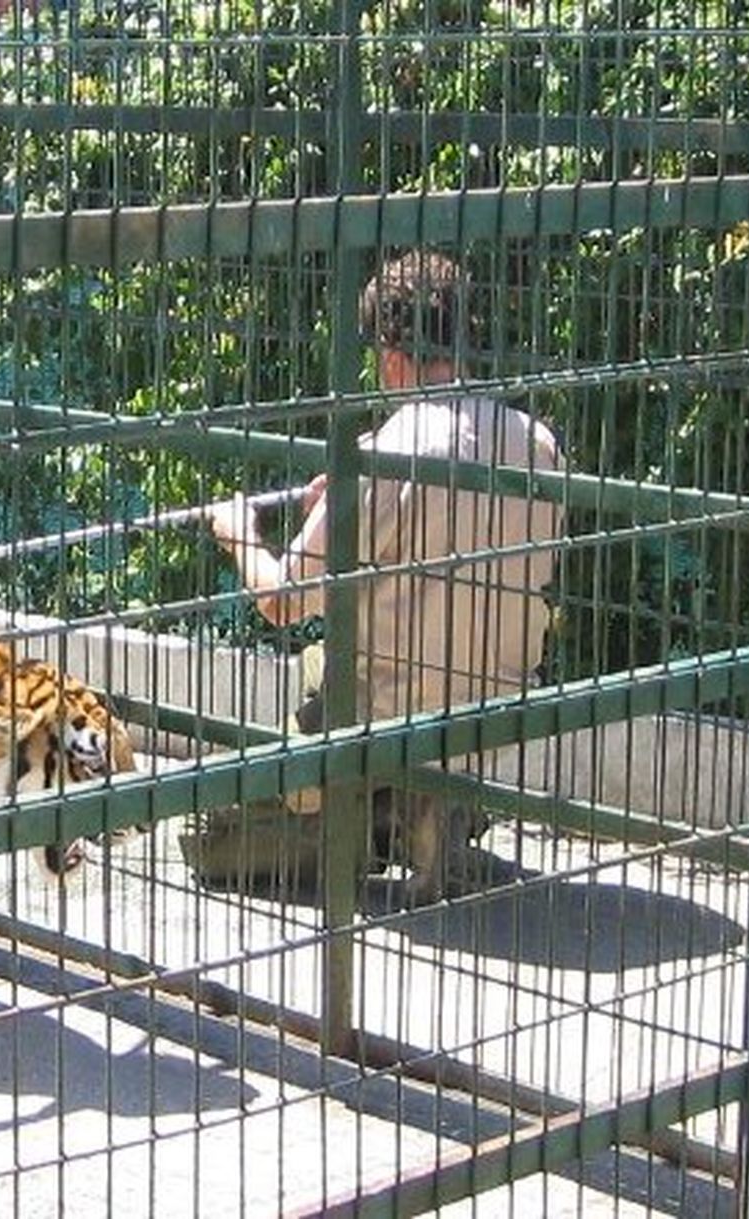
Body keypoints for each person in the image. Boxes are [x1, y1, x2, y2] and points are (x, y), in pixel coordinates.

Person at [201, 249, 564, 902]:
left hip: (392, 715)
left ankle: (357, 820)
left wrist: (239, 534)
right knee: (323, 660)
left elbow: (283, 600)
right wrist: (338, 507)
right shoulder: (535, 442)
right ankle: (432, 807)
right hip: (493, 711)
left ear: (392, 357)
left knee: (203, 829)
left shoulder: (386, 451)